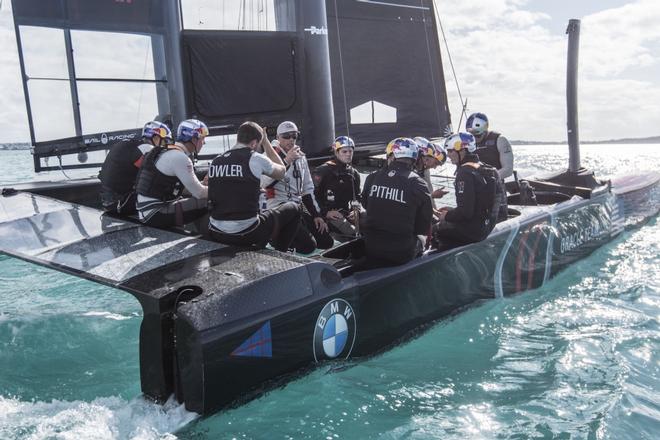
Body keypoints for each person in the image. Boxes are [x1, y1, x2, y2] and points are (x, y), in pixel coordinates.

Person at [208, 121, 302, 251]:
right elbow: (281, 172)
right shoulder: (255, 158)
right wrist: (266, 143)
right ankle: (281, 254)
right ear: (253, 143)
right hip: (247, 232)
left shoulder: (216, 161)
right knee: (294, 208)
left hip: (216, 231)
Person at [262, 121, 333, 254]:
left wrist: (316, 215)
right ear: (278, 138)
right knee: (308, 247)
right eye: (286, 136)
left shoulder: (301, 157)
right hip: (278, 208)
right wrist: (287, 161)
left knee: (326, 242)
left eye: (294, 136)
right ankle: (275, 238)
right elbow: (264, 184)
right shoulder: (268, 155)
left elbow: (307, 188)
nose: (291, 140)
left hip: (297, 207)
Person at [361, 137, 433, 267]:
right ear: (414, 159)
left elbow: (366, 205)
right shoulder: (419, 183)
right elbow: (423, 224)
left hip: (370, 247)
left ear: (391, 156)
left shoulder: (371, 177)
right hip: (400, 253)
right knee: (423, 237)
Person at [135, 119, 209, 229]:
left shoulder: (168, 151)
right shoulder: (181, 158)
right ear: (194, 139)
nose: (204, 142)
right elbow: (199, 193)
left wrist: (203, 184)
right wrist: (219, 187)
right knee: (212, 200)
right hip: (156, 213)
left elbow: (178, 187)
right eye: (202, 138)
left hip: (144, 211)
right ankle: (211, 239)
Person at [433, 132, 498, 246]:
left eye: (450, 151)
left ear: (462, 150)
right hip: (485, 227)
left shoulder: (464, 173)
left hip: (472, 232)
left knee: (435, 228)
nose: (448, 155)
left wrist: (446, 216)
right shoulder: (484, 167)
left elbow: (465, 213)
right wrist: (451, 211)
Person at [99, 121, 171, 215]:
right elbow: (161, 171)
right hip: (122, 203)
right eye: (164, 141)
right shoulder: (147, 149)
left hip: (108, 200)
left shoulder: (130, 145)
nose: (164, 146)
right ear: (156, 137)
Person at [312, 136, 361, 241]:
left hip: (345, 213)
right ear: (336, 152)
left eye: (350, 151)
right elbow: (311, 196)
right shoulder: (322, 171)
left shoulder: (354, 173)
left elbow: (357, 197)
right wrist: (325, 213)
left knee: (368, 228)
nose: (348, 154)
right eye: (344, 151)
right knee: (353, 233)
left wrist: (356, 210)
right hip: (327, 214)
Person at [466, 112, 512, 221]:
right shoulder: (468, 142)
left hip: (495, 188)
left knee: (498, 220)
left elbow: (508, 169)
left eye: (477, 135)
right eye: (471, 134)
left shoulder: (500, 140)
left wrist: (486, 180)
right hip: (475, 190)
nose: (475, 138)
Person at [413, 136, 449, 205]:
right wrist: (432, 196)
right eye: (436, 163)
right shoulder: (418, 172)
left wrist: (436, 213)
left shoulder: (425, 172)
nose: (435, 167)